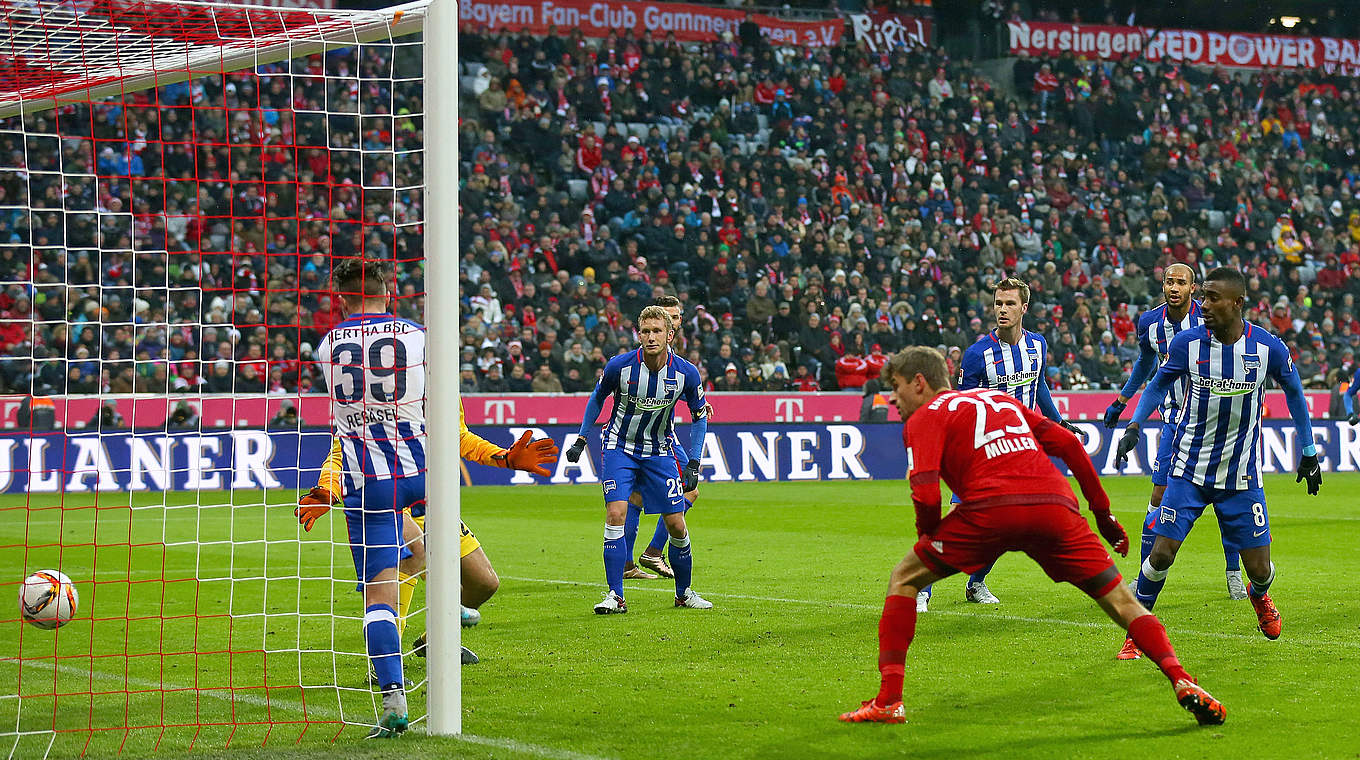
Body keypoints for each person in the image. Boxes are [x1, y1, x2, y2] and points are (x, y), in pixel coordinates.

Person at [839, 346, 1225, 727]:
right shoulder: (998, 400)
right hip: (1054, 505)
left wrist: (930, 539)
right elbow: (1069, 443)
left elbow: (924, 491)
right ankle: (1180, 677)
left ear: (919, 382)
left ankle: (889, 699)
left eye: (896, 385)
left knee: (904, 579)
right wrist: (1103, 515)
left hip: (988, 509)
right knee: (1123, 603)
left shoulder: (925, 417)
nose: (892, 397)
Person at [1114, 267, 1322, 646]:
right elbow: (1157, 383)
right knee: (1161, 554)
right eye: (1203, 296)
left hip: (1240, 478)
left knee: (1259, 570)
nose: (1204, 305)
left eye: (1212, 298)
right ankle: (1138, 632)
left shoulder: (1267, 348)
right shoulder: (1187, 345)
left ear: (1237, 303)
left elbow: (1293, 390)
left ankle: (1259, 597)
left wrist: (1308, 451)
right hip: (1188, 470)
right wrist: (1134, 425)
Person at [305, 258, 426, 738]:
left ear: (341, 297)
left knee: (379, 596)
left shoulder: (326, 346)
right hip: (425, 469)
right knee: (424, 551)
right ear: (387, 290)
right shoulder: (418, 335)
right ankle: (449, 611)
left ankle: (394, 700)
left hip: (367, 480)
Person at [1102, 263, 1246, 659]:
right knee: (1158, 496)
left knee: (1223, 496)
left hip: (1213, 426)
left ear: (1193, 288)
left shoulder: (1210, 321)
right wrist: (1123, 400)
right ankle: (1147, 573)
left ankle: (1234, 572)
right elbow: (1146, 366)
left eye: (1181, 282)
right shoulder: (1150, 323)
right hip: (1172, 424)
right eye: (1168, 281)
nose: (1173, 287)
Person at [919, 278, 1086, 610]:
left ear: (1024, 308)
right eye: (998, 303)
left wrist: (1059, 422)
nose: (1002, 309)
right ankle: (922, 588)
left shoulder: (1037, 345)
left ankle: (976, 582)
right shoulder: (977, 354)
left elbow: (1039, 389)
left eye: (1009, 304)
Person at [564, 305, 711, 613]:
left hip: (659, 451)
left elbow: (700, 416)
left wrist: (694, 461)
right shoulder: (620, 366)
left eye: (657, 331)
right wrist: (581, 438)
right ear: (639, 334)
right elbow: (597, 398)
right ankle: (616, 596)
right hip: (620, 447)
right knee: (616, 513)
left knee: (676, 525)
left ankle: (683, 593)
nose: (650, 337)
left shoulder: (686, 372)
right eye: (645, 331)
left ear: (670, 335)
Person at [623, 295, 715, 581]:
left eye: (675, 317)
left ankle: (628, 564)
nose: (672, 322)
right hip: (652, 438)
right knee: (689, 491)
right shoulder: (643, 354)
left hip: (658, 434)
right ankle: (652, 551)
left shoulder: (677, 355)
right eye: (667, 317)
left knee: (636, 498)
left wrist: (700, 402)